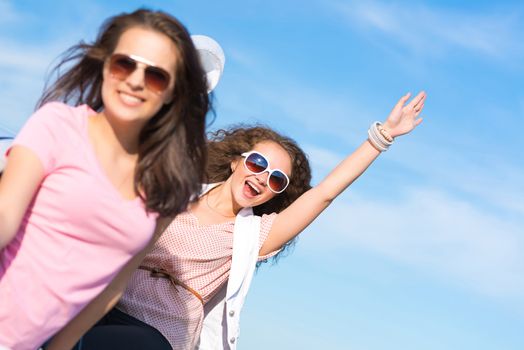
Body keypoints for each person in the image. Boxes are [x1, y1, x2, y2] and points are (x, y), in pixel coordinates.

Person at [66, 91, 426, 350]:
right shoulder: (177, 191)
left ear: (277, 194)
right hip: (100, 300)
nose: (261, 178)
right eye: (257, 164)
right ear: (238, 161)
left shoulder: (252, 235)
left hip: (155, 333)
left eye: (275, 180)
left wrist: (381, 138)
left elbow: (325, 193)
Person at [0, 8, 211, 350]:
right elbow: (5, 217)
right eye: (124, 64)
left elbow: (112, 288)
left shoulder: (166, 188)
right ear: (105, 66)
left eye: (156, 75)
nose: (136, 80)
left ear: (173, 92)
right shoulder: (59, 125)